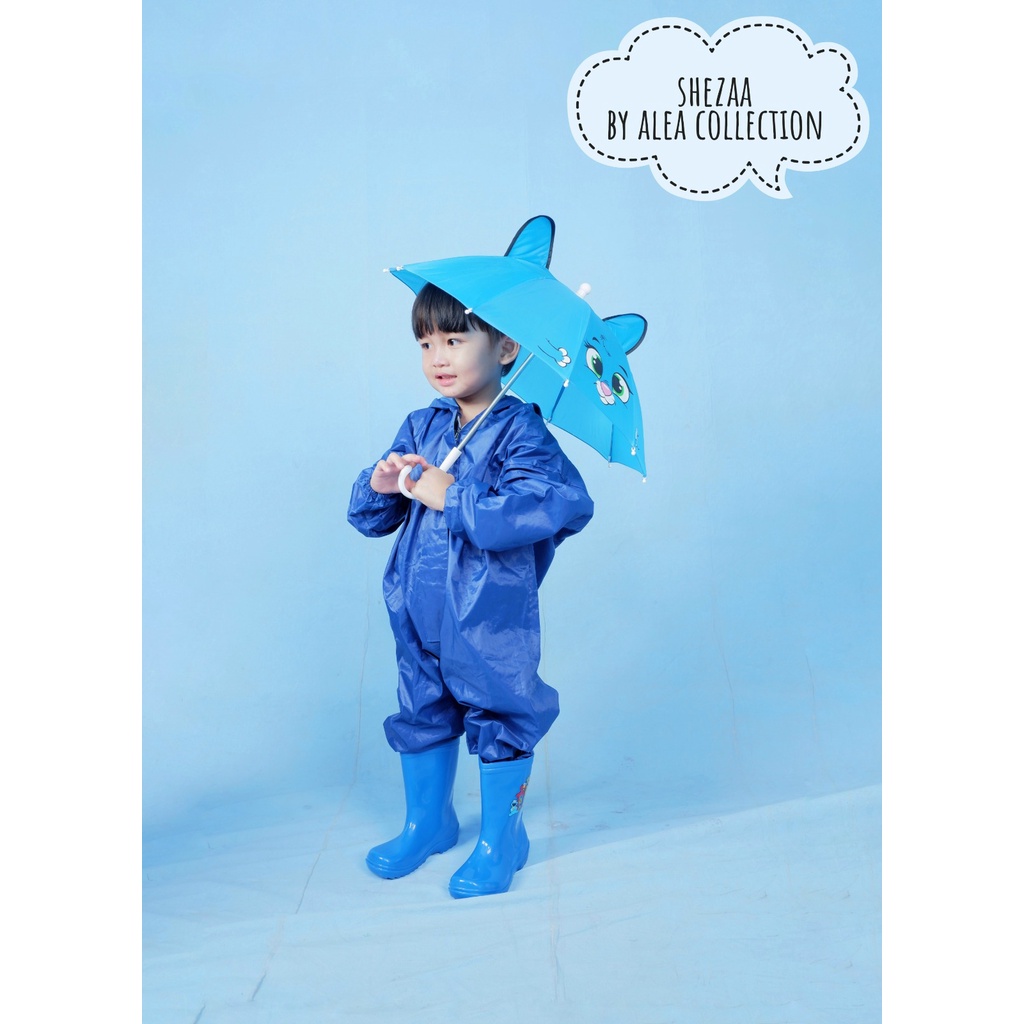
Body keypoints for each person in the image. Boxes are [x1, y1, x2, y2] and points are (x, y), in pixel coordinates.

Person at [347, 281, 594, 898]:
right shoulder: (423, 425)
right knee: (421, 706)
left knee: (499, 711)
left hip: (487, 612)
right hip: (416, 603)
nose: (438, 357)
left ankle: (501, 841)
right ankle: (427, 823)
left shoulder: (522, 433)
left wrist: (452, 496)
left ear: (506, 348)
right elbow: (372, 520)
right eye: (425, 343)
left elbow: (551, 505)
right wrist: (381, 484)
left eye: (455, 340)